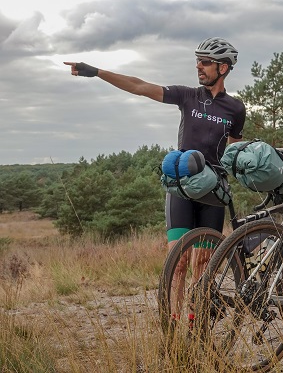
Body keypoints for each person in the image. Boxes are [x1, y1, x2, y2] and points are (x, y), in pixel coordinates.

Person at [65, 37, 246, 325]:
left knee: (203, 263)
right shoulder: (188, 96)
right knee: (178, 261)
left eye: (205, 62)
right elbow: (139, 86)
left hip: (212, 191)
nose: (198, 66)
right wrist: (97, 72)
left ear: (223, 68)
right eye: (197, 61)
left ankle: (196, 322)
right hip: (182, 186)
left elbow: (234, 152)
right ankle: (172, 323)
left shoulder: (235, 109)